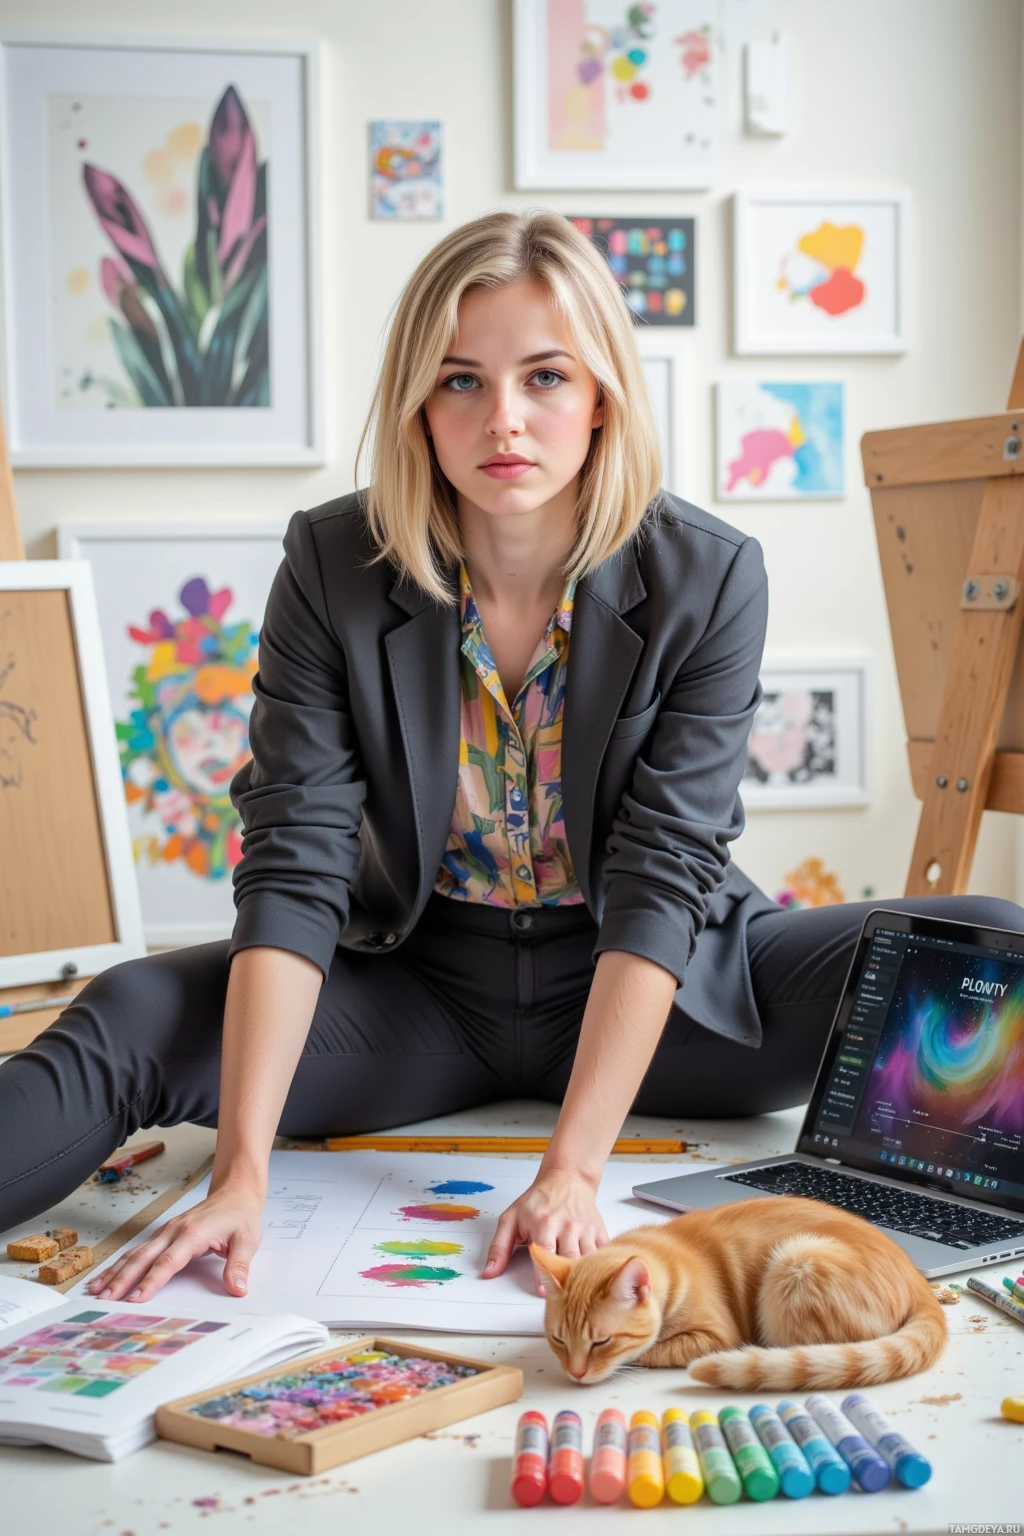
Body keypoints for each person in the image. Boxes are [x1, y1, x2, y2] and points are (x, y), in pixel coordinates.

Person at [1, 212, 1020, 1305]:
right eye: (459, 381)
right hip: (417, 989)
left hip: (660, 989)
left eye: (544, 377)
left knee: (987, 944)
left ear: (600, 396)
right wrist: (241, 1174)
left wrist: (572, 1170)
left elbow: (662, 871)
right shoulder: (329, 562)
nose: (504, 421)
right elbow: (294, 862)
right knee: (128, 1015)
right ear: (416, 406)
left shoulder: (710, 575)